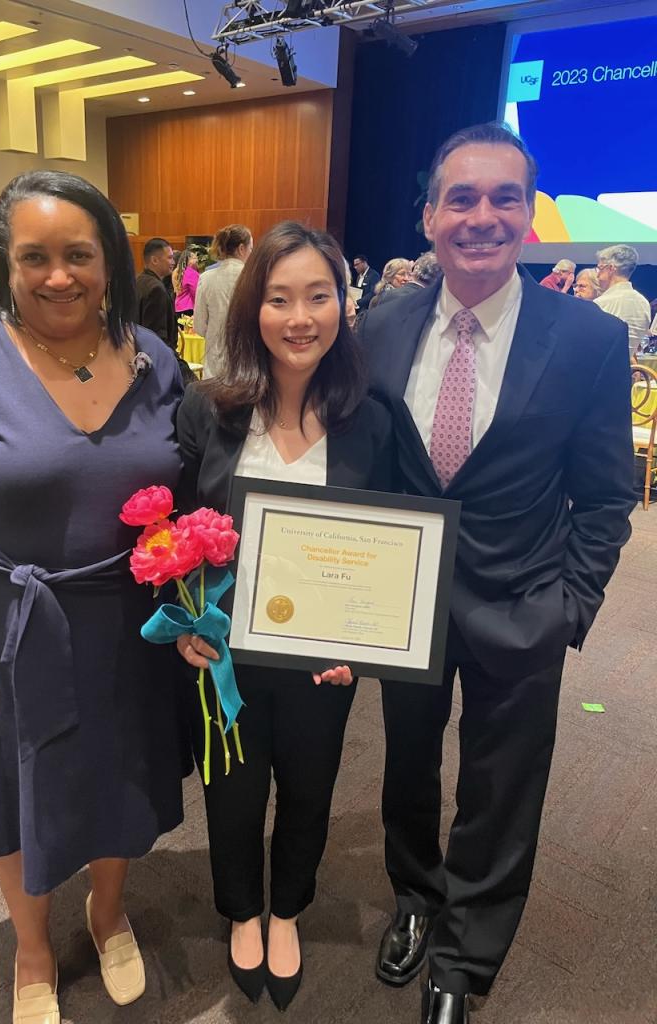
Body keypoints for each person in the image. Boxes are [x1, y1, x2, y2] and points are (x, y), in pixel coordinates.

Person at [0, 170, 187, 1022]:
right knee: (15, 788)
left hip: (129, 621)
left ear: (111, 261)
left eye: (79, 255)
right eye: (35, 257)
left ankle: (106, 911)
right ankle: (29, 947)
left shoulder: (152, 357)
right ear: (3, 265)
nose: (60, 275)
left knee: (119, 776)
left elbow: (182, 491)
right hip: (3, 624)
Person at [361, 123, 634, 1024]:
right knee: (406, 764)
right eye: (462, 198)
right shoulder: (381, 327)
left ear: (529, 216)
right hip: (403, 603)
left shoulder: (587, 339)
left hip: (524, 602)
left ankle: (465, 954)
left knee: (502, 784)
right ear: (430, 214)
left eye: (503, 198)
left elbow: (605, 494)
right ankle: (415, 893)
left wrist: (571, 604)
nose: (482, 216)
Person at [176, 221, 395, 1011]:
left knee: (310, 785)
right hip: (226, 651)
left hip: (321, 657)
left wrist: (367, 646)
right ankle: (241, 908)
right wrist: (186, 623)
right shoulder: (211, 411)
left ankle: (289, 907)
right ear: (251, 309)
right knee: (231, 789)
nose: (299, 317)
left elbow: (393, 546)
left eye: (318, 296)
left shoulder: (372, 419)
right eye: (278, 298)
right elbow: (172, 529)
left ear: (343, 304)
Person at [193, 223, 253, 377]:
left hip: (215, 365)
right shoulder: (254, 278)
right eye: (251, 249)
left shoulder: (206, 278)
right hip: (247, 363)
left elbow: (199, 326)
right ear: (241, 249)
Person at [594, 244, 652, 357]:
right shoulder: (643, 303)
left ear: (611, 268)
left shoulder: (600, 304)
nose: (597, 275)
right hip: (625, 370)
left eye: (600, 268)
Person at [135, 236, 177, 350]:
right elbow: (157, 336)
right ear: (154, 260)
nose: (173, 262)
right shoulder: (156, 289)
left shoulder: (137, 281)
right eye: (170, 258)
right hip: (155, 355)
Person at [375, 251, 441, 308]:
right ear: (389, 276)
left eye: (409, 274)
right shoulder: (378, 299)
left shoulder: (415, 296)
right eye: (401, 274)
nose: (407, 278)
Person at [173, 247, 200, 318]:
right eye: (194, 258)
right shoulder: (191, 273)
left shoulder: (178, 272)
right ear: (188, 260)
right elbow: (196, 292)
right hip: (188, 307)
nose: (197, 260)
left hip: (179, 307)